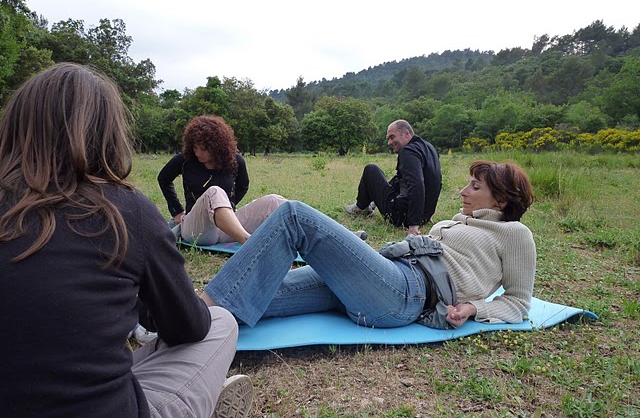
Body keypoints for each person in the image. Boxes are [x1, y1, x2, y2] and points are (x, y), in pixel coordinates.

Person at [0, 63, 252, 418]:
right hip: (196, 225)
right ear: (108, 135)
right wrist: (178, 211)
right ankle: (202, 397)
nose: (198, 153)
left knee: (270, 204)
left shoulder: (233, 163)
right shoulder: (126, 211)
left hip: (223, 221)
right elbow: (188, 327)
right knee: (220, 320)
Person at [201, 161, 535, 329]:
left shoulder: (515, 233)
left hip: (406, 292)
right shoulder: (462, 219)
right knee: (256, 293)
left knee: (294, 215)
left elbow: (519, 302)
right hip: (385, 278)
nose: (463, 191)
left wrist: (476, 308)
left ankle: (193, 311)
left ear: (503, 200)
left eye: (474, 187)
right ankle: (187, 316)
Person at [158, 115, 286, 245]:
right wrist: (177, 211)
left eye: (203, 149)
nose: (197, 153)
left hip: (227, 229)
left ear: (216, 147)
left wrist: (225, 209)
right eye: (195, 148)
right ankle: (249, 243)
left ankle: (300, 240)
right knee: (214, 192)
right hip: (197, 229)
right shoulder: (184, 160)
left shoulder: (235, 161)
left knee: (273, 201)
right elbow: (163, 179)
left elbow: (243, 186)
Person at [345, 119, 442, 236]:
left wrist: (413, 225)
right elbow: (436, 181)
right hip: (424, 216)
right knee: (398, 178)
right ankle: (371, 203)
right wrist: (427, 214)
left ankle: (360, 207)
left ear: (406, 134)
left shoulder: (408, 151)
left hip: (401, 216)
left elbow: (417, 185)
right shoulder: (429, 148)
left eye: (392, 137)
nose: (389, 143)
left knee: (371, 170)